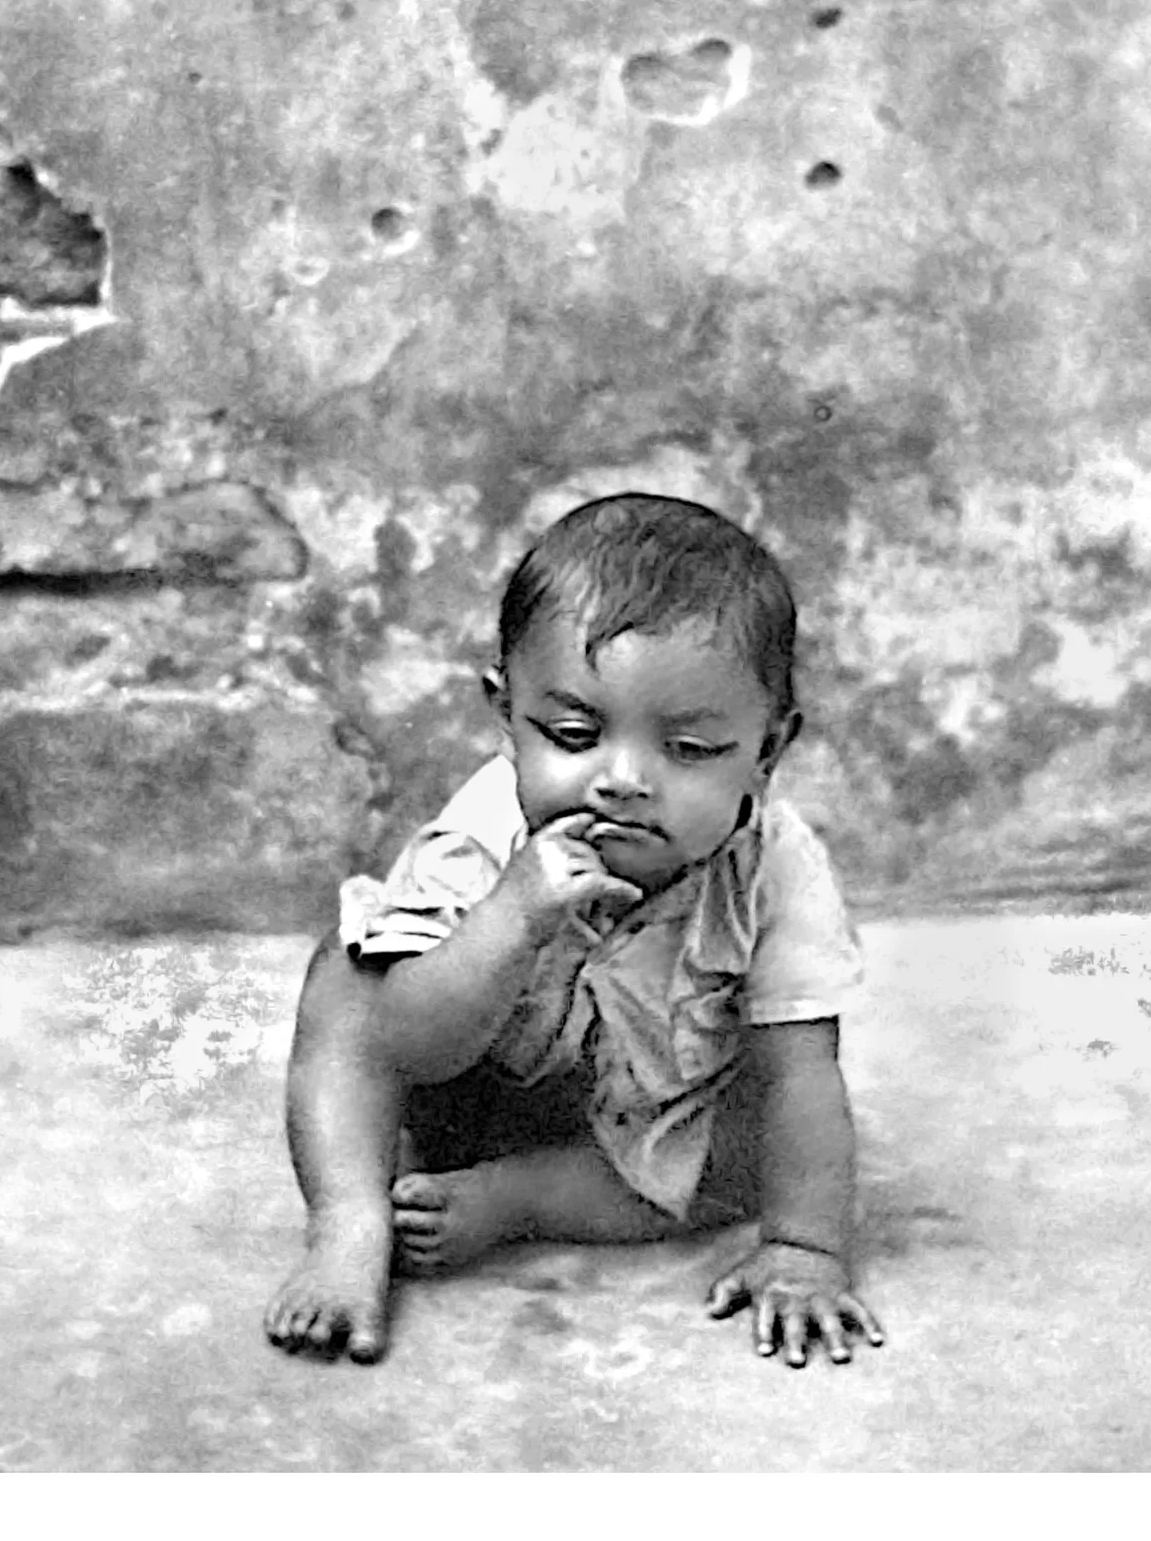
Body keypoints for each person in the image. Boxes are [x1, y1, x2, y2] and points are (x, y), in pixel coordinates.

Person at [263, 492, 887, 1370]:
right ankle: (348, 1222)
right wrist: (512, 917)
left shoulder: (775, 864)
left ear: (768, 748)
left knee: (761, 1148)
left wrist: (805, 1249)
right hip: (471, 1086)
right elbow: (410, 1046)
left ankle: (523, 1199)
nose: (623, 779)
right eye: (573, 733)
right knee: (346, 983)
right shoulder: (485, 831)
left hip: (644, 1127)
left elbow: (800, 1075)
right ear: (507, 716)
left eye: (692, 749)